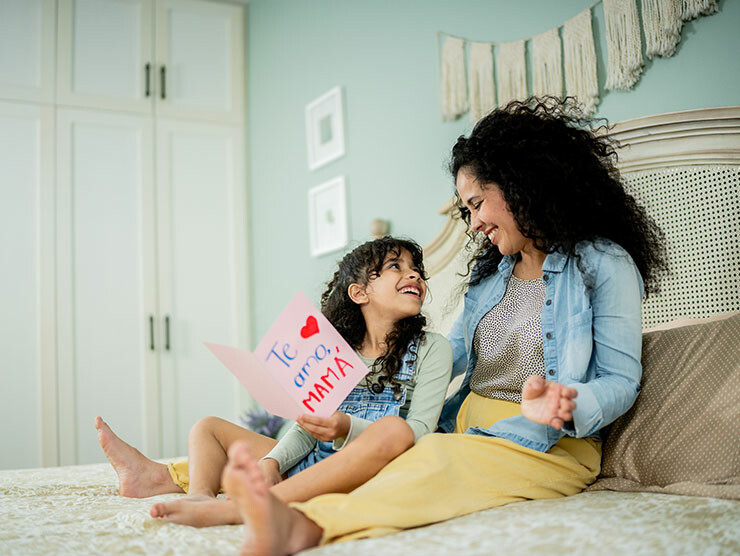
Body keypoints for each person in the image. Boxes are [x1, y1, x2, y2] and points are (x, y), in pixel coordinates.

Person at [220, 96, 668, 554]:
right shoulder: (492, 277)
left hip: (545, 442)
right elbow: (441, 355)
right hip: (460, 425)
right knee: (386, 450)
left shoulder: (604, 264)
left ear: (522, 186)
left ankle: (300, 524)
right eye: (466, 211)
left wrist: (568, 402)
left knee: (428, 458)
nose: (473, 225)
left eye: (477, 205)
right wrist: (353, 364)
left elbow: (621, 379)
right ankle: (217, 486)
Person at [95, 236, 453, 527]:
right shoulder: (332, 351)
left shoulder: (431, 349)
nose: (415, 276)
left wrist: (346, 427)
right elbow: (306, 428)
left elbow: (418, 433)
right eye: (396, 267)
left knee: (394, 429)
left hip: (371, 468)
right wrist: (272, 463)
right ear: (359, 293)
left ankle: (232, 499)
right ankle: (201, 497)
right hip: (310, 464)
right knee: (208, 429)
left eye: (416, 269)